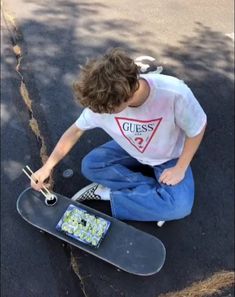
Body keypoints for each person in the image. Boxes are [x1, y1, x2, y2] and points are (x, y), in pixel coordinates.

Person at [31, 48, 207, 222]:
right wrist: (47, 167)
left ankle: (108, 193)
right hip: (131, 148)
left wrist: (180, 168)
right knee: (90, 165)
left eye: (108, 110)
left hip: (169, 155)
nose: (102, 113)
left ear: (128, 96)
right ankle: (150, 197)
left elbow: (197, 128)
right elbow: (75, 131)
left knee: (179, 207)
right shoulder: (103, 101)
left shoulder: (174, 93)